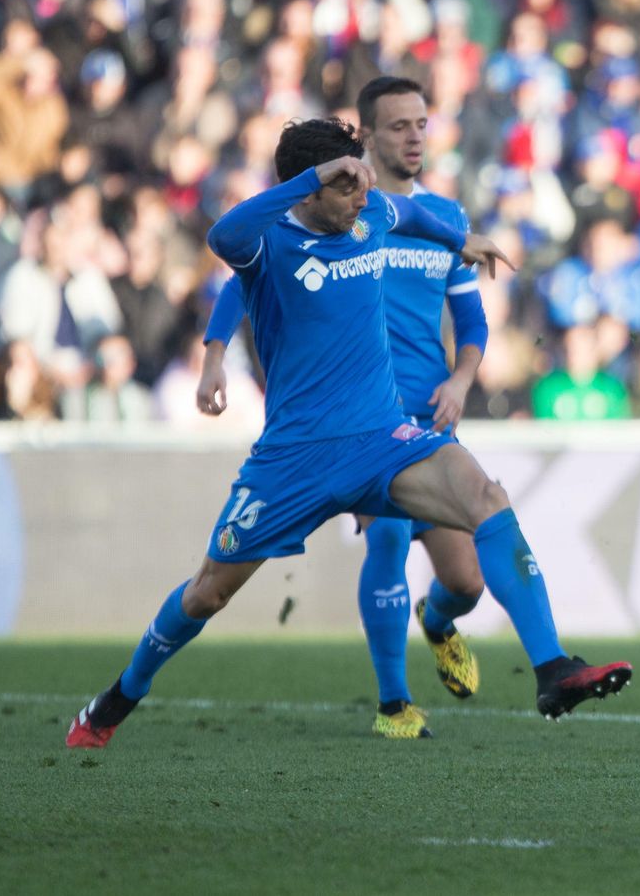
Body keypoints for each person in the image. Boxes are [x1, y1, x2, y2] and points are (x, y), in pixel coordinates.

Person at [67, 117, 631, 749]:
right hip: (293, 461)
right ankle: (117, 699)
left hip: (381, 439)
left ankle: (552, 667)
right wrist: (215, 351)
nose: (363, 198)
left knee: (486, 500)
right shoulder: (267, 244)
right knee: (205, 596)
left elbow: (407, 216)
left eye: (362, 183)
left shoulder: (370, 216)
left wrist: (460, 239)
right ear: (309, 188)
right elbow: (224, 234)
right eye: (346, 186)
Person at [194, 77, 502, 739]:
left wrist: (462, 378)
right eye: (400, 125)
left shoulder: (437, 216)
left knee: (467, 580)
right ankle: (395, 703)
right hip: (361, 414)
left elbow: (472, 322)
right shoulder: (327, 210)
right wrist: (215, 353)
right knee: (385, 539)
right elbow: (246, 281)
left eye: (423, 123)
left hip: (431, 411)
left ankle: (440, 618)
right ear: (364, 138)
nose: (415, 135)